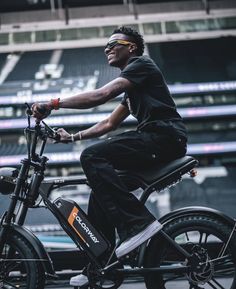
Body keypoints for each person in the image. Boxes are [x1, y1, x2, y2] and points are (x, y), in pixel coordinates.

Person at [32, 26, 187, 287]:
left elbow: (100, 95)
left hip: (164, 137)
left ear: (132, 47)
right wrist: (71, 138)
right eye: (106, 46)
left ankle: (138, 224)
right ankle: (102, 263)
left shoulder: (141, 65)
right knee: (100, 190)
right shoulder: (134, 86)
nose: (107, 48)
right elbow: (108, 124)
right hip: (159, 140)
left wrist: (53, 103)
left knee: (92, 156)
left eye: (114, 43)